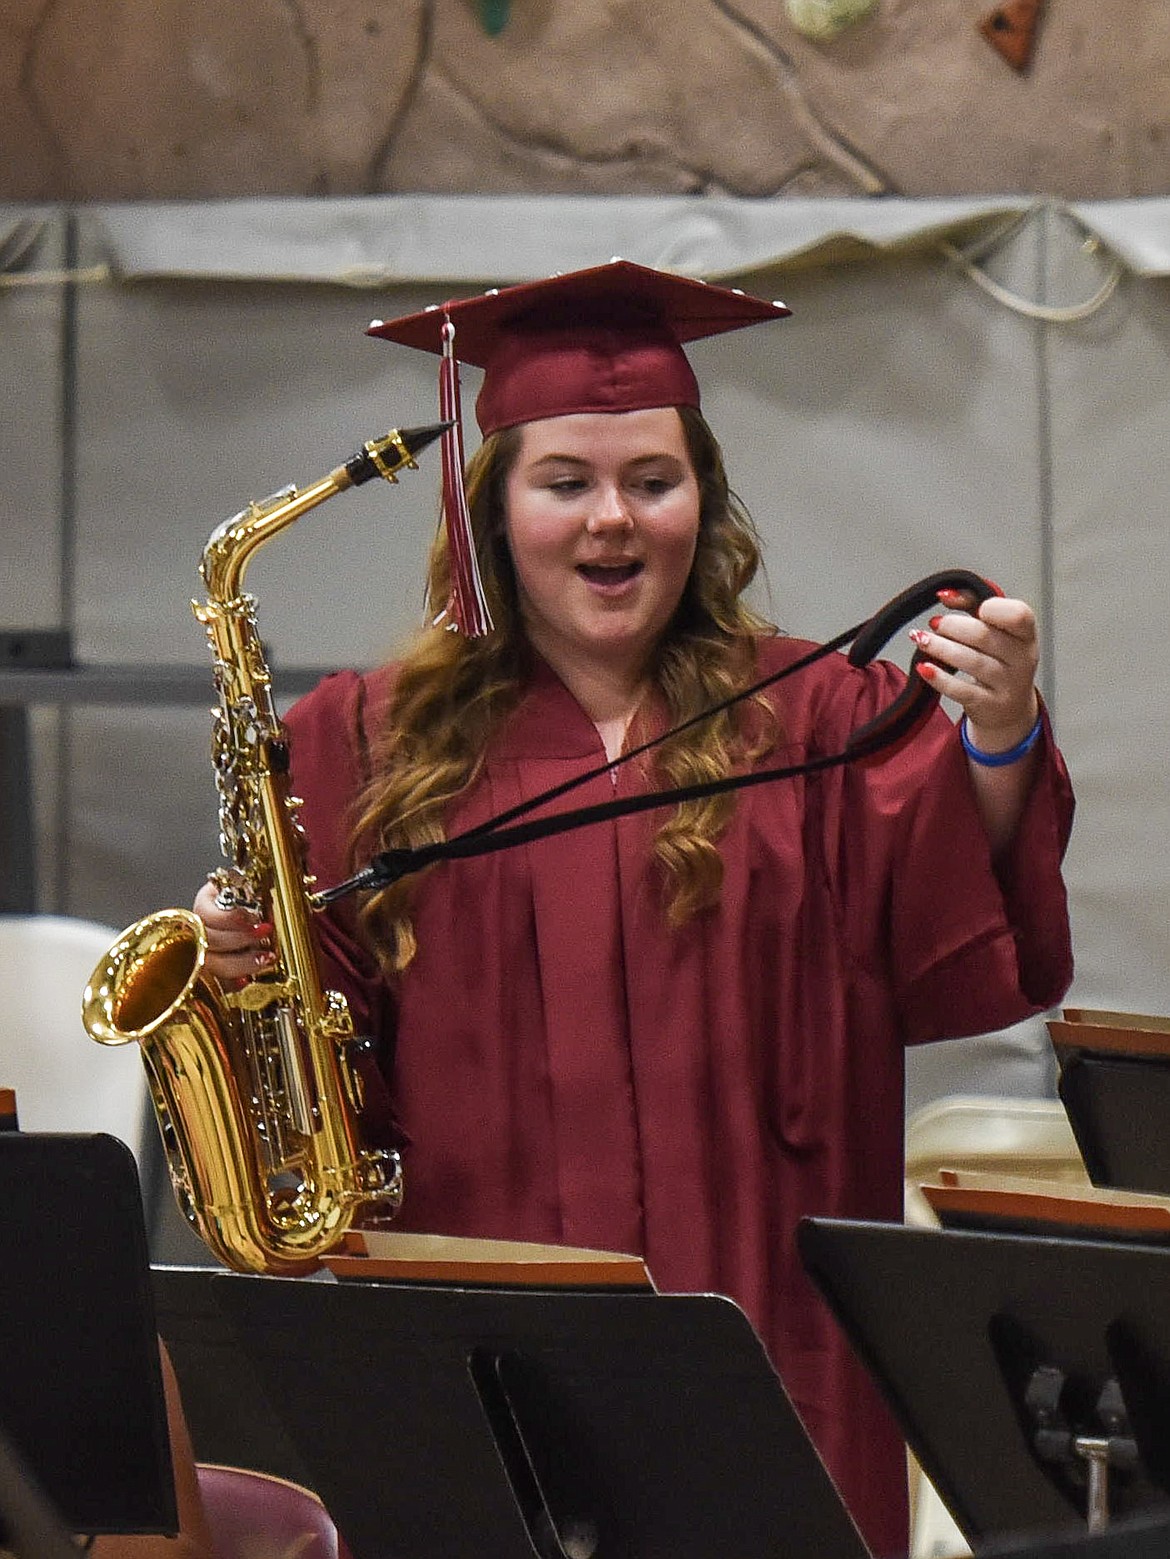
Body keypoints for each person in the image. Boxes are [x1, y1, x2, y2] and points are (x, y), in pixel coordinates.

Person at [193, 261, 1074, 1555]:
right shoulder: (363, 738)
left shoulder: (824, 718)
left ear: (700, 503)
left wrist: (995, 737)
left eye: (652, 482)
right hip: (480, 1334)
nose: (613, 520)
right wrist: (238, 957)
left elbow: (949, 936)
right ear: (492, 508)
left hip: (772, 1335)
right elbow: (323, 1048)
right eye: (566, 483)